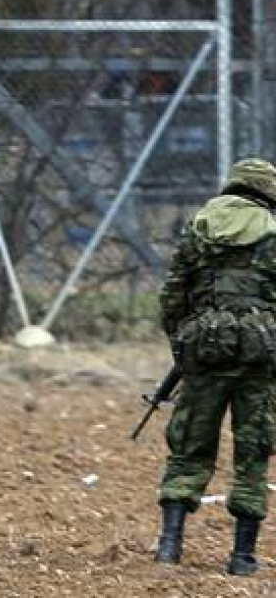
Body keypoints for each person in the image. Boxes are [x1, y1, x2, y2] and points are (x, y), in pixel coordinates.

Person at [155, 158, 276, 576]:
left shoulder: (199, 227)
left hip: (203, 354)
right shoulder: (273, 233)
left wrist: (183, 345)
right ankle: (242, 557)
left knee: (189, 447)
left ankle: (169, 546)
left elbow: (173, 294)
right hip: (259, 360)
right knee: (253, 451)